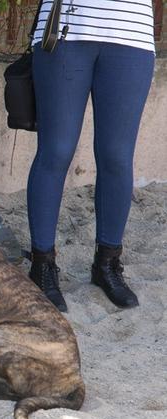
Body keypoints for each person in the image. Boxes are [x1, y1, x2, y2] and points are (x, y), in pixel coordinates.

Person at [26, 0, 155, 312]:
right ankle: (42, 266)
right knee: (55, 151)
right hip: (66, 32)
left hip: (131, 34)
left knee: (117, 156)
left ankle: (107, 265)